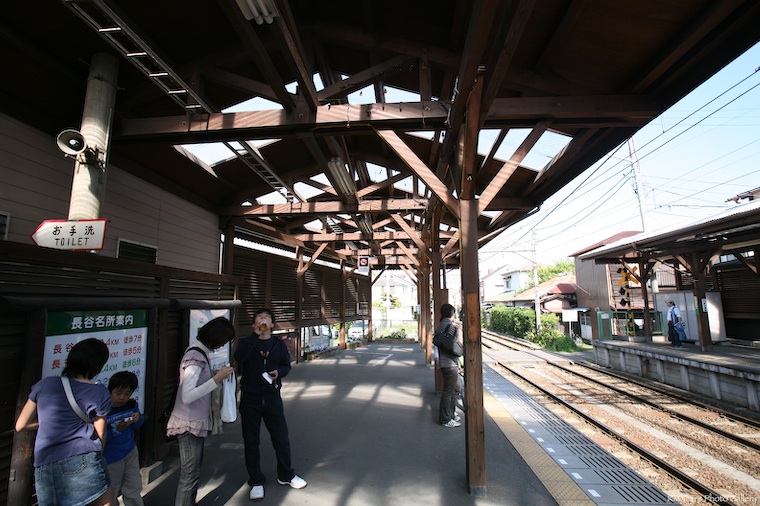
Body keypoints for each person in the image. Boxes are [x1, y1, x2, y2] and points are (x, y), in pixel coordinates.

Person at [15, 338, 116, 506]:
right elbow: (100, 434)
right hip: (83, 459)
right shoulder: (99, 392)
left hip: (45, 463)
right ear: (98, 367)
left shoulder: (45, 384)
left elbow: (21, 425)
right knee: (106, 499)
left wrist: (47, 422)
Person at [235, 308, 307, 502]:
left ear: (272, 324)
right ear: (254, 324)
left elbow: (286, 365)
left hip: (272, 397)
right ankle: (256, 481)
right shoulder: (247, 342)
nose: (263, 319)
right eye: (259, 317)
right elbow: (239, 358)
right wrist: (255, 335)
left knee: (281, 438)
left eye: (267, 317)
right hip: (250, 398)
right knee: (251, 441)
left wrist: (279, 373)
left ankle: (286, 474)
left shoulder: (278, 344)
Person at [166, 317, 235, 506]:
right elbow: (187, 396)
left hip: (193, 421)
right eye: (223, 341)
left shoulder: (199, 353)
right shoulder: (195, 357)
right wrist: (216, 379)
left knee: (192, 472)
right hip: (189, 422)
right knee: (190, 474)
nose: (222, 345)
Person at [104, 371, 145, 506]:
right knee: (112, 491)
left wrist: (138, 418)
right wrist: (117, 430)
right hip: (111, 457)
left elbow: (137, 426)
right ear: (110, 391)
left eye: (127, 394)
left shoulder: (131, 405)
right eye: (118, 393)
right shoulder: (103, 409)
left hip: (130, 452)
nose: (122, 397)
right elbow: (101, 436)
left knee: (134, 487)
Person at [435, 303, 463, 428]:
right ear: (452, 313)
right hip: (450, 364)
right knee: (448, 392)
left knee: (456, 388)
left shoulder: (440, 325)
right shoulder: (452, 327)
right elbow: (457, 346)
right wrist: (459, 332)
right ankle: (445, 419)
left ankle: (451, 413)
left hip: (444, 362)